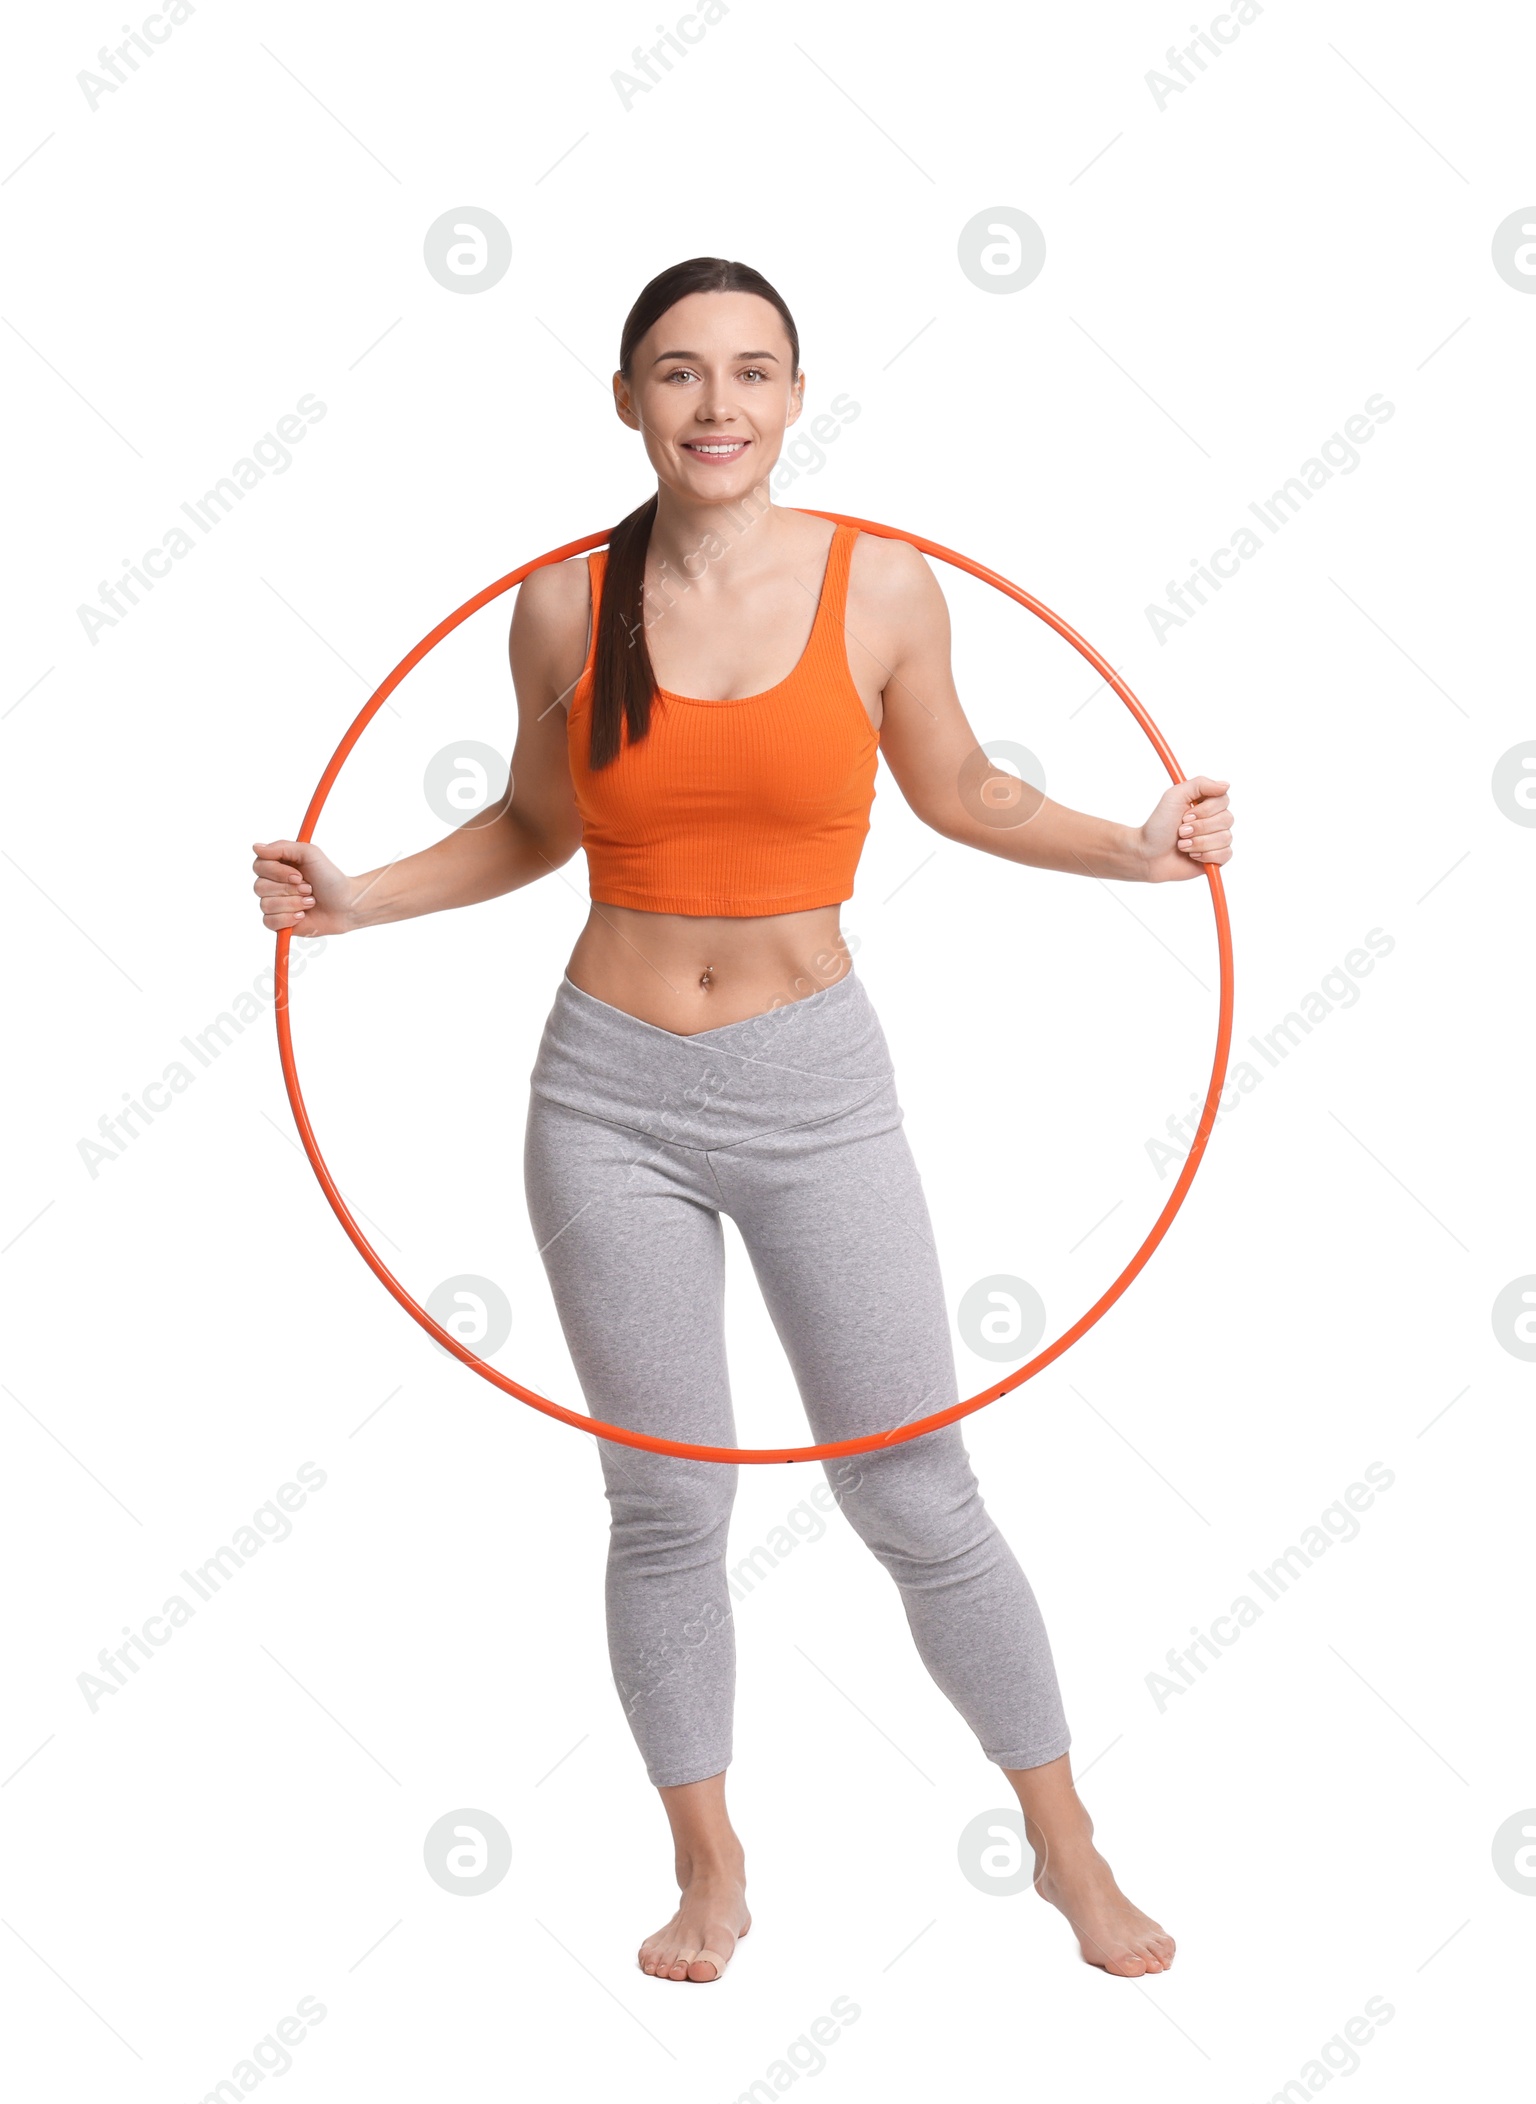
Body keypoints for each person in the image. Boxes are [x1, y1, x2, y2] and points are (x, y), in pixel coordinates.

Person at [252, 255, 1233, 1987]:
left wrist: (1138, 849)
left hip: (813, 1086)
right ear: (626, 400)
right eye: (682, 374)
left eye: (754, 373)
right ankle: (709, 1865)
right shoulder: (562, 607)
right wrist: (356, 896)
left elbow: (969, 787)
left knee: (916, 1489)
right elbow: (529, 827)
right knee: (664, 1500)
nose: (719, 406)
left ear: (796, 399)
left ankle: (1067, 1845)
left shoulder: (882, 589)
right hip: (604, 1093)